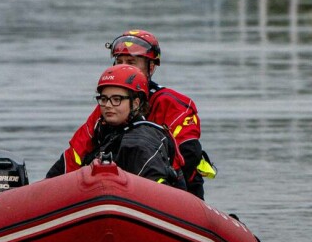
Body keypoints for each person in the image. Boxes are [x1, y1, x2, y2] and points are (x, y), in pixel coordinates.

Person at [47, 29, 215, 199]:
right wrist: (47, 190)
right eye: (119, 61)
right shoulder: (107, 107)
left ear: (150, 67)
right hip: (115, 190)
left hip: (173, 192)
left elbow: (188, 156)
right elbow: (76, 153)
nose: (124, 67)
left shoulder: (173, 105)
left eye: (131, 62)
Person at [49, 64, 184, 187]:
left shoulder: (142, 140)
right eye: (103, 99)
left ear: (136, 103)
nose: (108, 105)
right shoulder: (105, 133)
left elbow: (157, 190)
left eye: (116, 99)